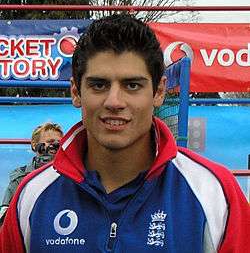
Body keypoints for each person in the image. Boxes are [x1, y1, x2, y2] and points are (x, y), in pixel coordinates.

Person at [0, 14, 249, 253]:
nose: (114, 101)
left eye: (132, 85)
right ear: (76, 92)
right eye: (99, 84)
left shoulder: (214, 193)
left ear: (159, 92)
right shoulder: (32, 196)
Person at [0, 122, 63, 225]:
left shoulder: (68, 175)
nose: (55, 145)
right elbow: (5, 216)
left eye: (59, 143)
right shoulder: (20, 177)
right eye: (50, 142)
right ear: (34, 144)